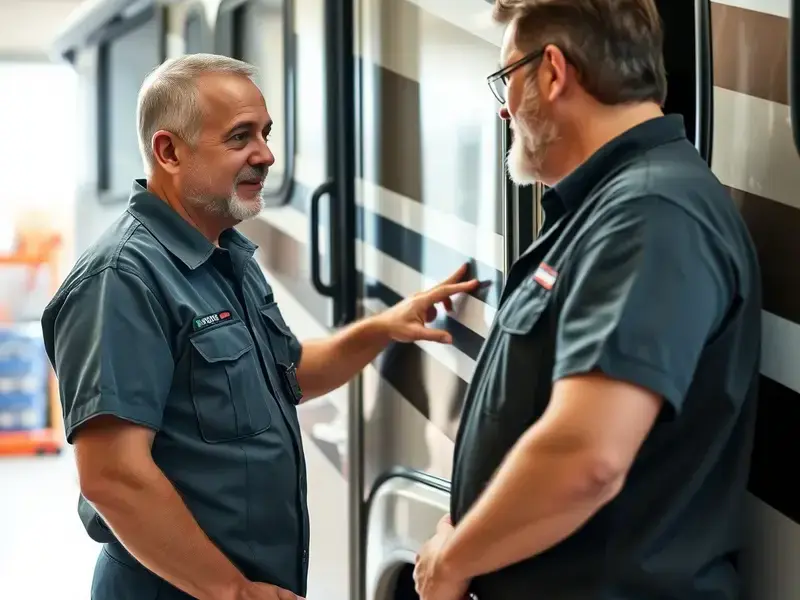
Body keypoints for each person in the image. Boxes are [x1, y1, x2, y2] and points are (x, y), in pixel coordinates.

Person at [40, 53, 478, 600]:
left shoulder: (225, 254)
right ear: (168, 151)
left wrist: (382, 327)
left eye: (266, 133)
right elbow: (113, 476)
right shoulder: (122, 278)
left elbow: (286, 371)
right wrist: (233, 591)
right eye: (240, 137)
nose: (266, 155)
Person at [412, 1, 762, 599]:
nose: (503, 107)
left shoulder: (650, 214)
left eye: (508, 78)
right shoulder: (608, 206)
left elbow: (587, 456)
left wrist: (453, 560)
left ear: (553, 71)